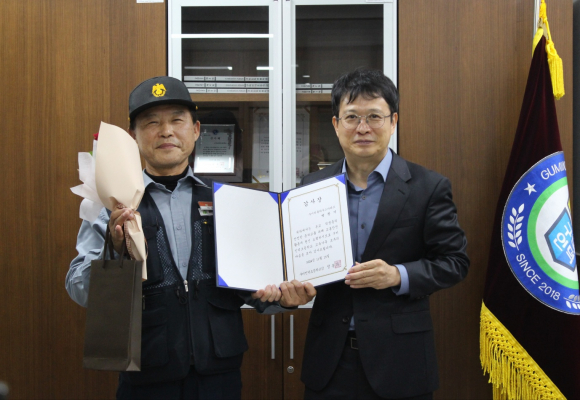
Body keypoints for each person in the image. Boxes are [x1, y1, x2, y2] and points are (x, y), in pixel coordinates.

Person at [66, 76, 314, 400]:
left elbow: (252, 288)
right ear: (133, 137)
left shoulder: (226, 200)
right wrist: (113, 253)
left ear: (196, 130)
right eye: (152, 122)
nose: (166, 131)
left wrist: (282, 298)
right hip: (147, 375)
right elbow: (79, 288)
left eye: (177, 120)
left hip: (219, 374)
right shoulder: (113, 204)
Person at [299, 69, 469, 399]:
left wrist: (397, 275)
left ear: (393, 122)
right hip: (330, 361)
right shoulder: (311, 187)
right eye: (351, 117)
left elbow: (455, 262)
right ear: (336, 124)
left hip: (401, 361)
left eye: (374, 116)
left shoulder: (428, 187)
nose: (363, 128)